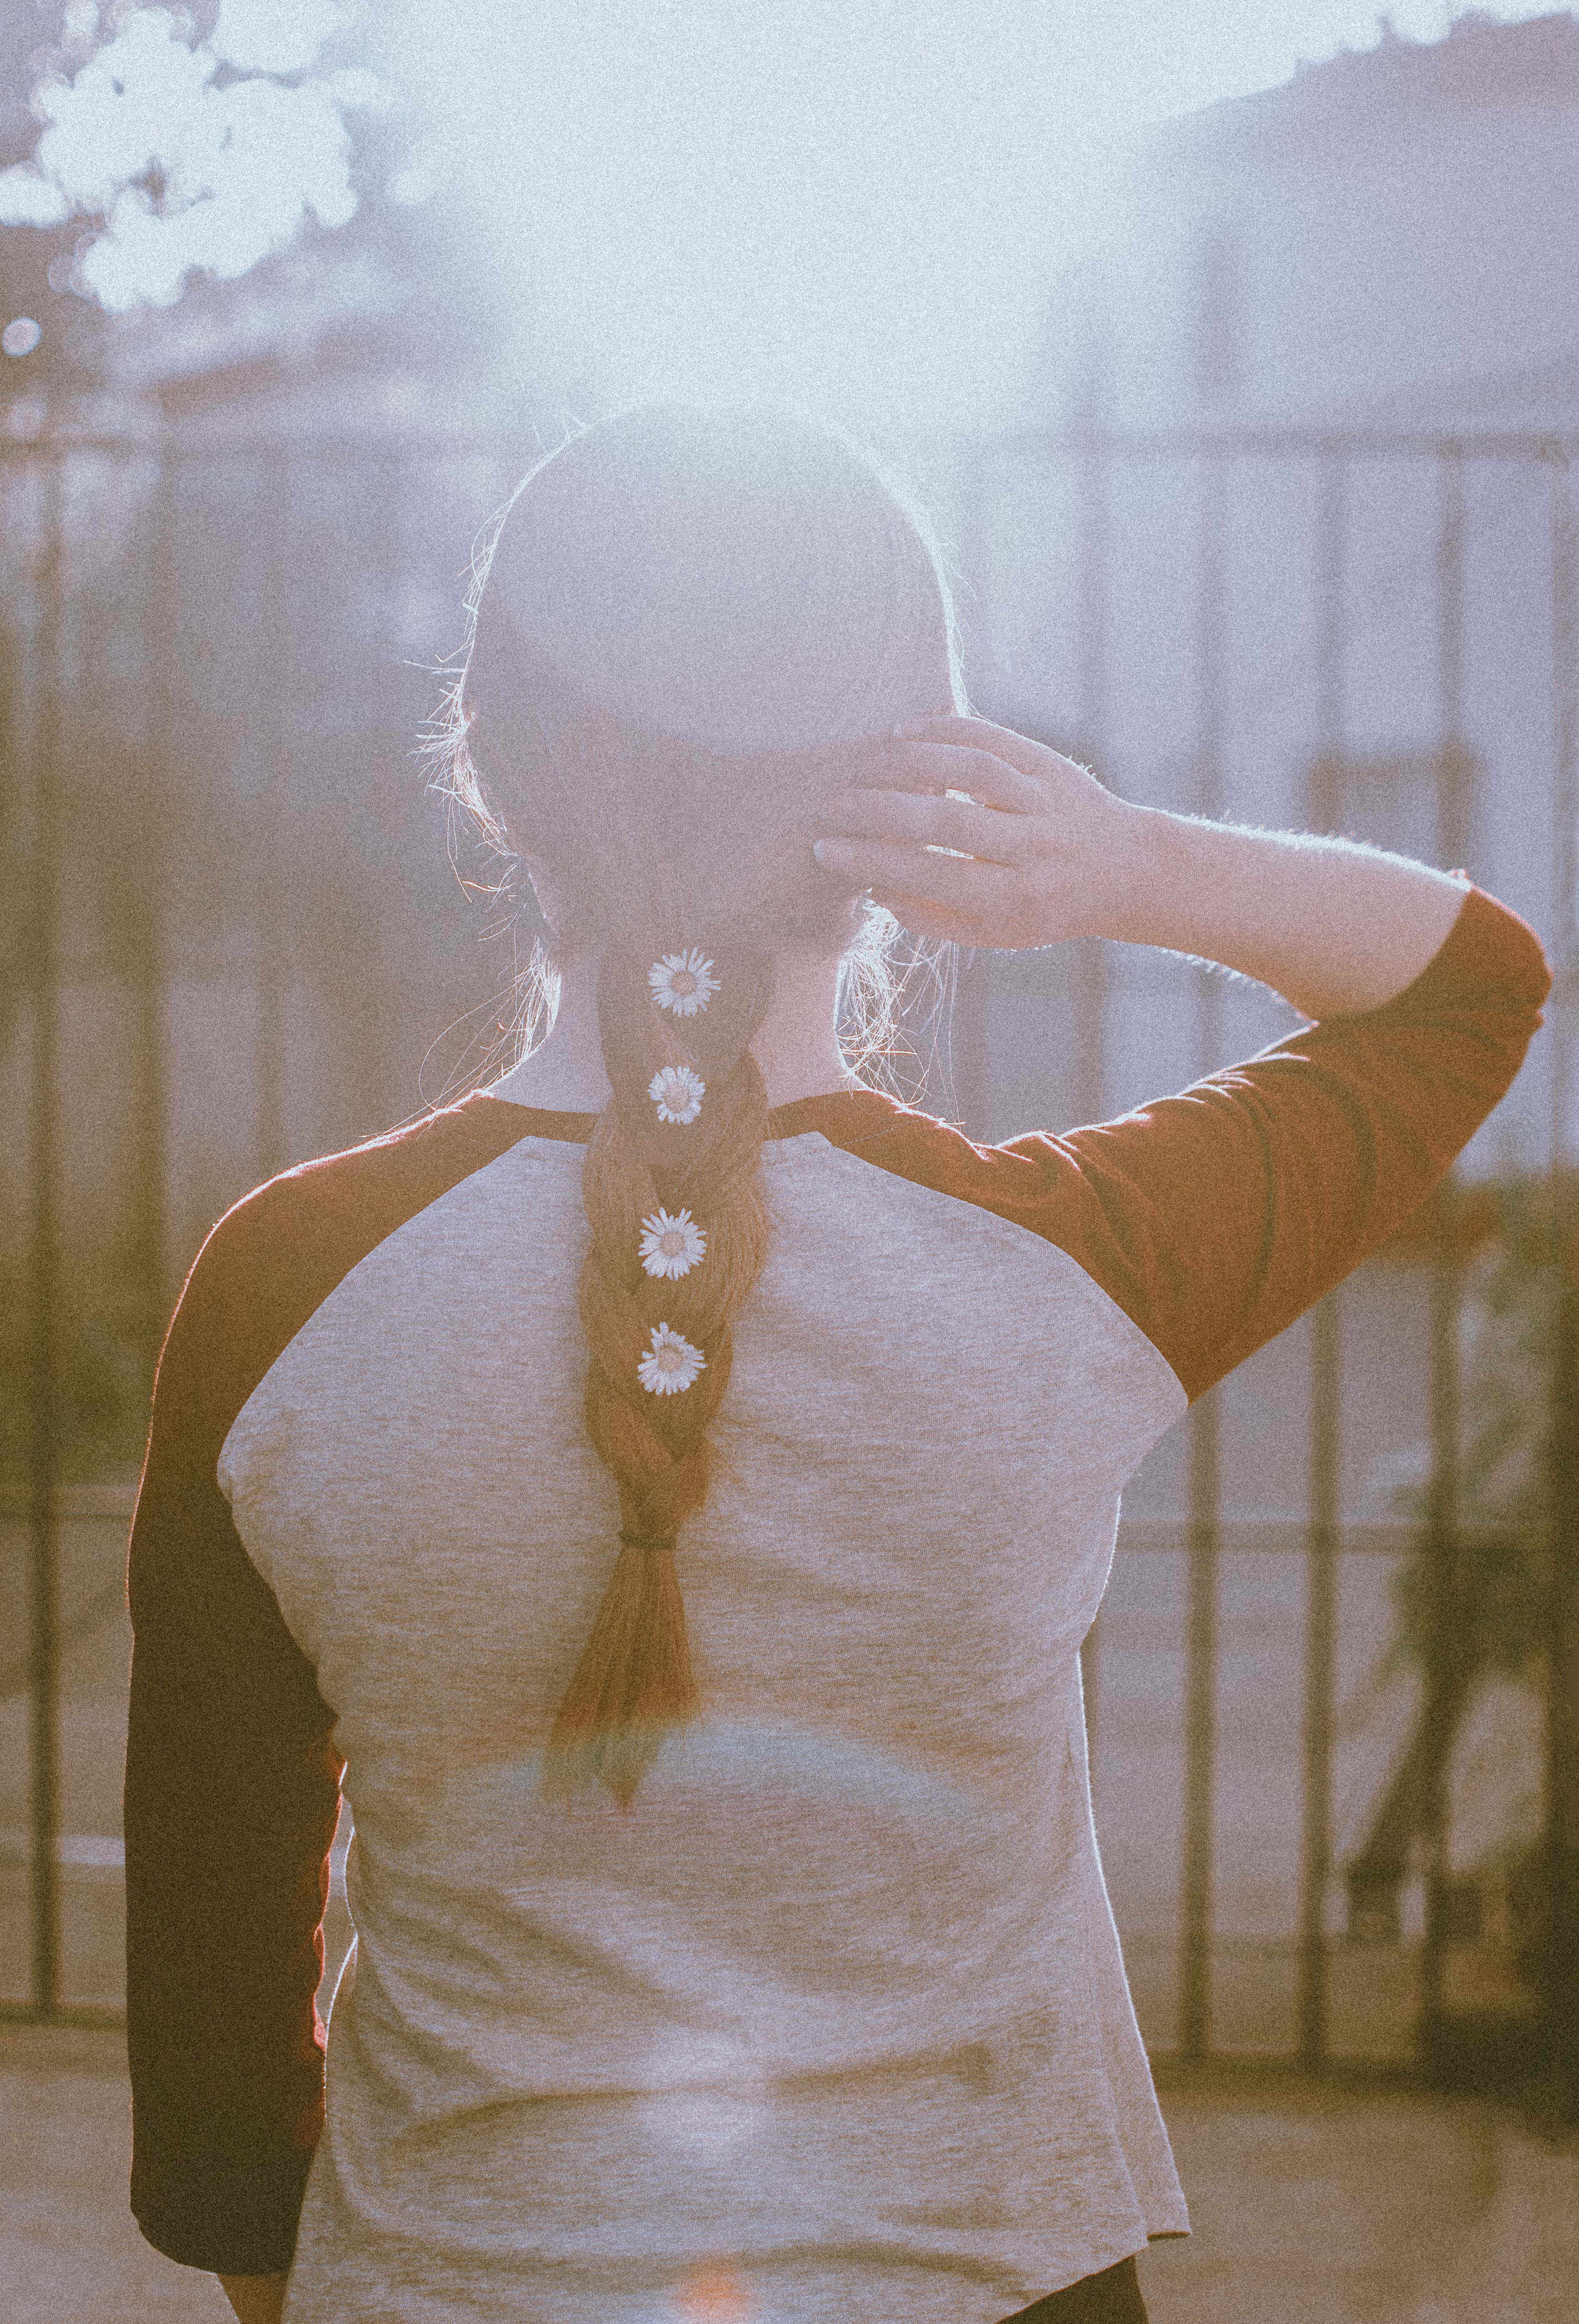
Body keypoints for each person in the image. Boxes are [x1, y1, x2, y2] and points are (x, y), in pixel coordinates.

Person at [124, 404, 1550, 2324]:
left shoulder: (285, 1292)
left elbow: (214, 1958)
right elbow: (1470, 983)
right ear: (919, 792)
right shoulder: (1068, 1275)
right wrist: (1119, 863)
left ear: (492, 780)